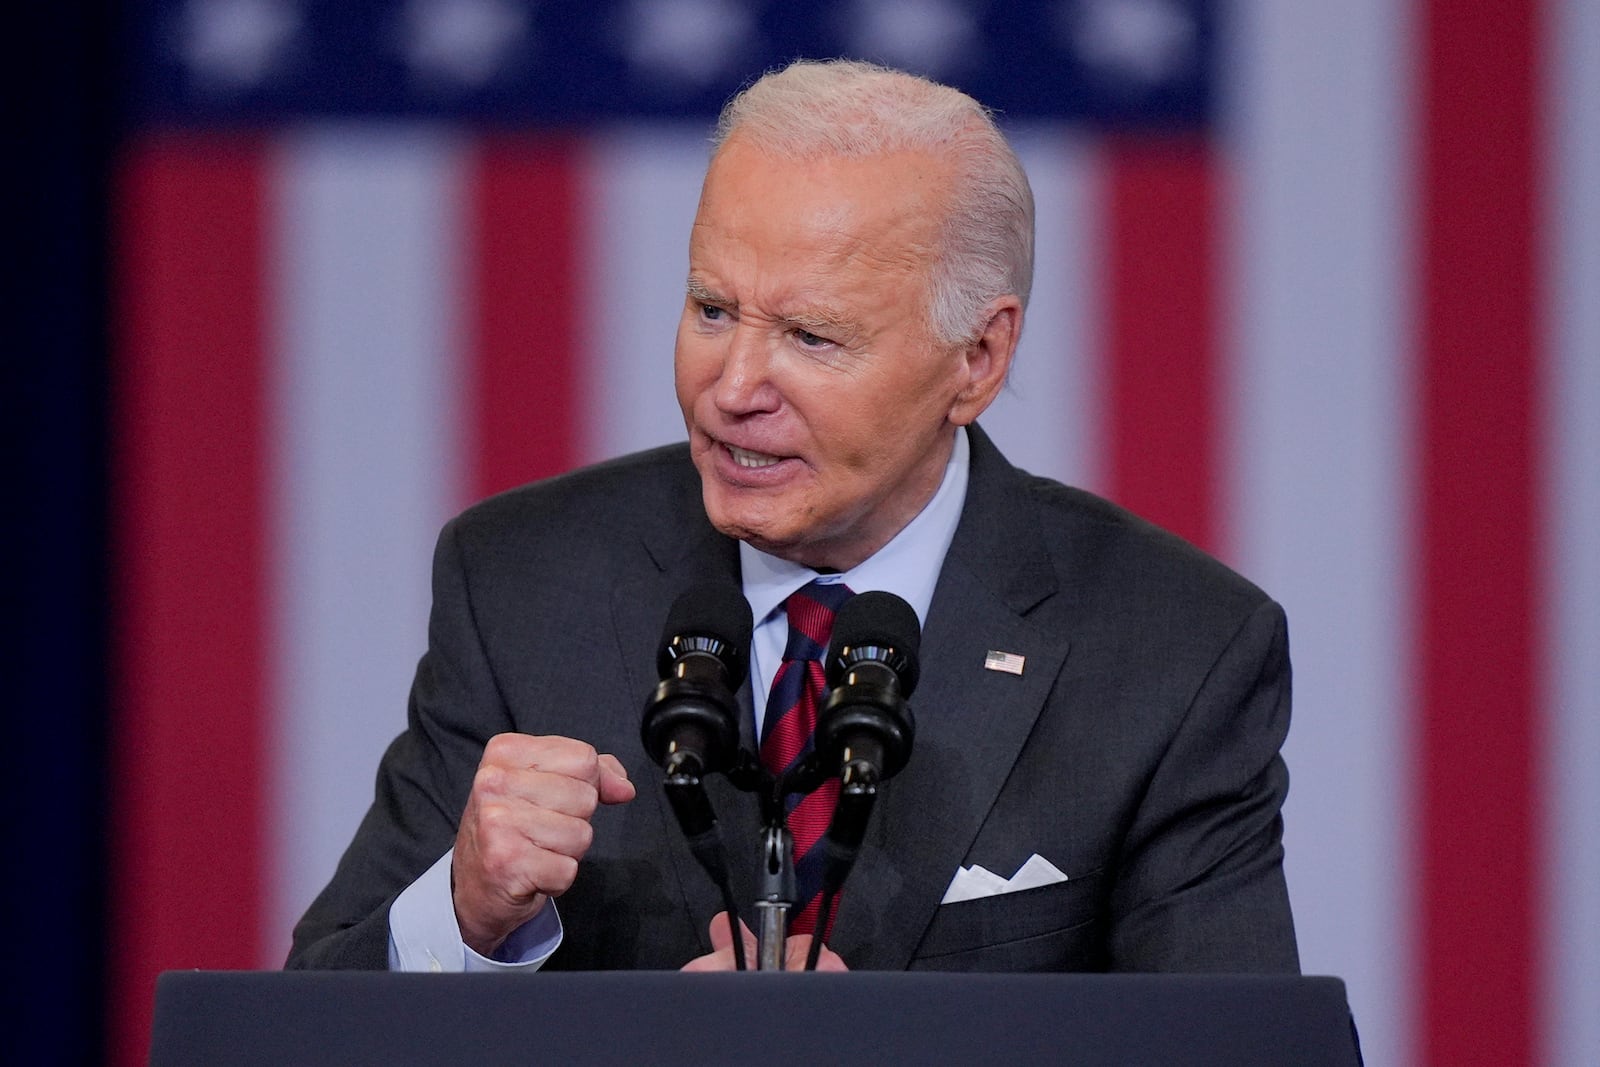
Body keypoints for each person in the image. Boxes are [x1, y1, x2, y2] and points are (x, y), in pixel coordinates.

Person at [287, 59, 1299, 974]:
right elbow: (292, 1039)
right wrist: (464, 915)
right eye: (712, 309)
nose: (730, 387)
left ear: (976, 360)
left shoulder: (1173, 651)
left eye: (812, 336)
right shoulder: (518, 582)